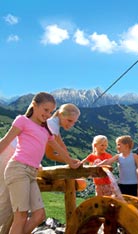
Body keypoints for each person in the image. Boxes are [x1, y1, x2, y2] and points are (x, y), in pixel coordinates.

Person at [0, 92, 81, 234]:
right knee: (17, 214)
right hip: (17, 167)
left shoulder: (46, 129)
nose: (48, 114)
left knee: (39, 215)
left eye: (51, 111)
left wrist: (71, 162)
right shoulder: (23, 121)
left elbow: (59, 148)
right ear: (34, 105)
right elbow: (6, 141)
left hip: (31, 172)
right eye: (45, 110)